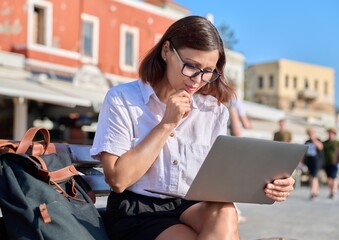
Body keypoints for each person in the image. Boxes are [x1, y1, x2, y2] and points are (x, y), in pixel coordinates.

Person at [90, 16, 295, 240]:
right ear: (166, 50)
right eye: (192, 66)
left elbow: (221, 177)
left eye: (208, 71)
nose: (198, 80)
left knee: (225, 211)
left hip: (191, 204)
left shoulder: (213, 110)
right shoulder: (123, 99)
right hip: (139, 210)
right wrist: (167, 123)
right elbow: (118, 180)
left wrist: (269, 182)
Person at [304, 127, 323, 200]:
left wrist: (314, 140)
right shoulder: (307, 141)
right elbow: (305, 152)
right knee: (313, 176)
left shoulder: (318, 140)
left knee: (313, 176)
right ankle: (316, 191)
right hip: (309, 161)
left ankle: (313, 192)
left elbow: (320, 147)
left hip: (316, 161)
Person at [322, 127, 339, 199]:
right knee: (329, 178)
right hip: (327, 162)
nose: (330, 135)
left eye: (331, 133)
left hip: (335, 162)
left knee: (334, 177)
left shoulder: (337, 142)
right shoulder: (325, 142)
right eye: (329, 133)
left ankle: (334, 191)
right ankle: (331, 191)